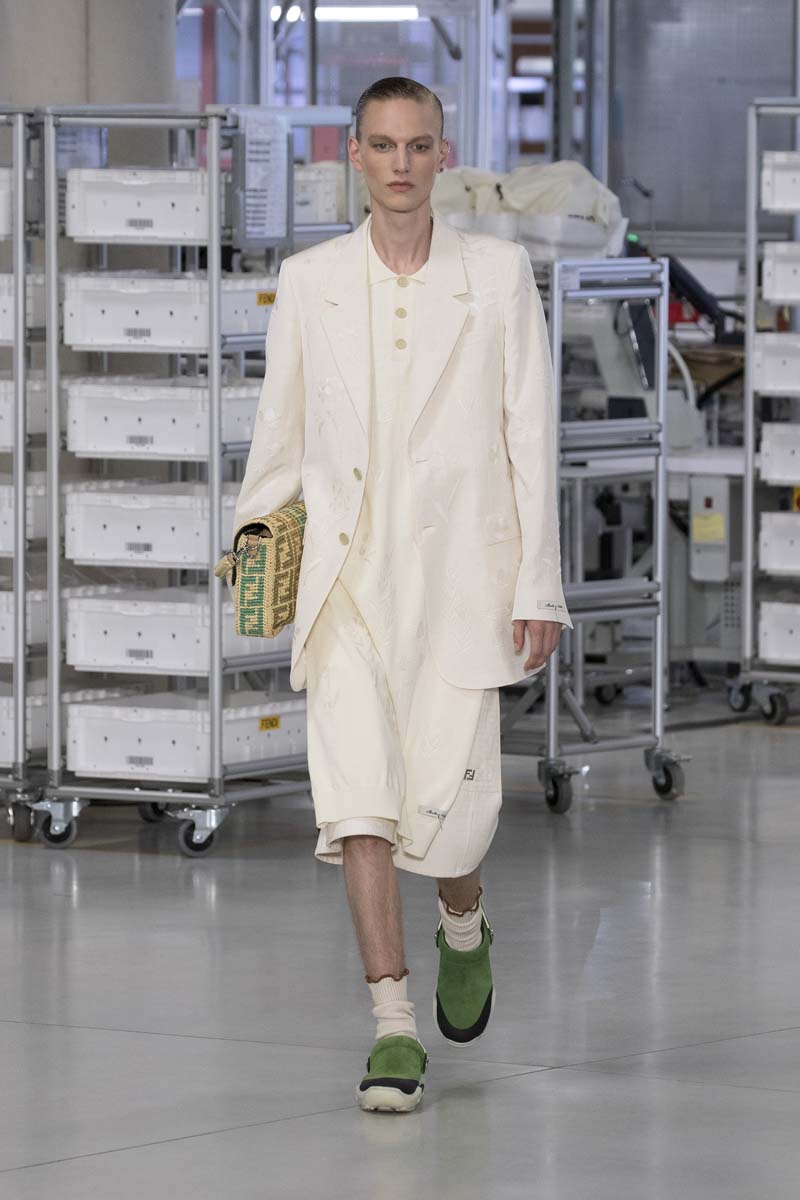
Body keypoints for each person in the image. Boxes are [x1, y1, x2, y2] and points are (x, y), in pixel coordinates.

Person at [233, 76, 572, 1114]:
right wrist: (254, 547)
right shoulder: (310, 280)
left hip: (461, 578)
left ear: (442, 155)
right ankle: (391, 1025)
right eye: (381, 145)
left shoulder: (497, 275)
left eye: (417, 145)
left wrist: (539, 585)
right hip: (345, 585)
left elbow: (529, 435)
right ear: (354, 154)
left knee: (451, 819)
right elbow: (279, 432)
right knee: (361, 805)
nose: (399, 164)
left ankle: (462, 921)